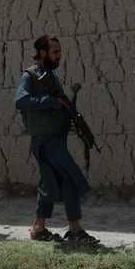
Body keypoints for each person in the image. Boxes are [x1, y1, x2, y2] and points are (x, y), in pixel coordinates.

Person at [15, 36, 98, 244]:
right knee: (70, 178)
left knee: (49, 183)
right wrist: (50, 102)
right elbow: (21, 101)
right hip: (44, 141)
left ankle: (41, 228)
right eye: (55, 52)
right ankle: (75, 229)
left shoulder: (50, 75)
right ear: (42, 52)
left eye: (59, 52)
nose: (59, 56)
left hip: (56, 139)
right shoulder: (30, 76)